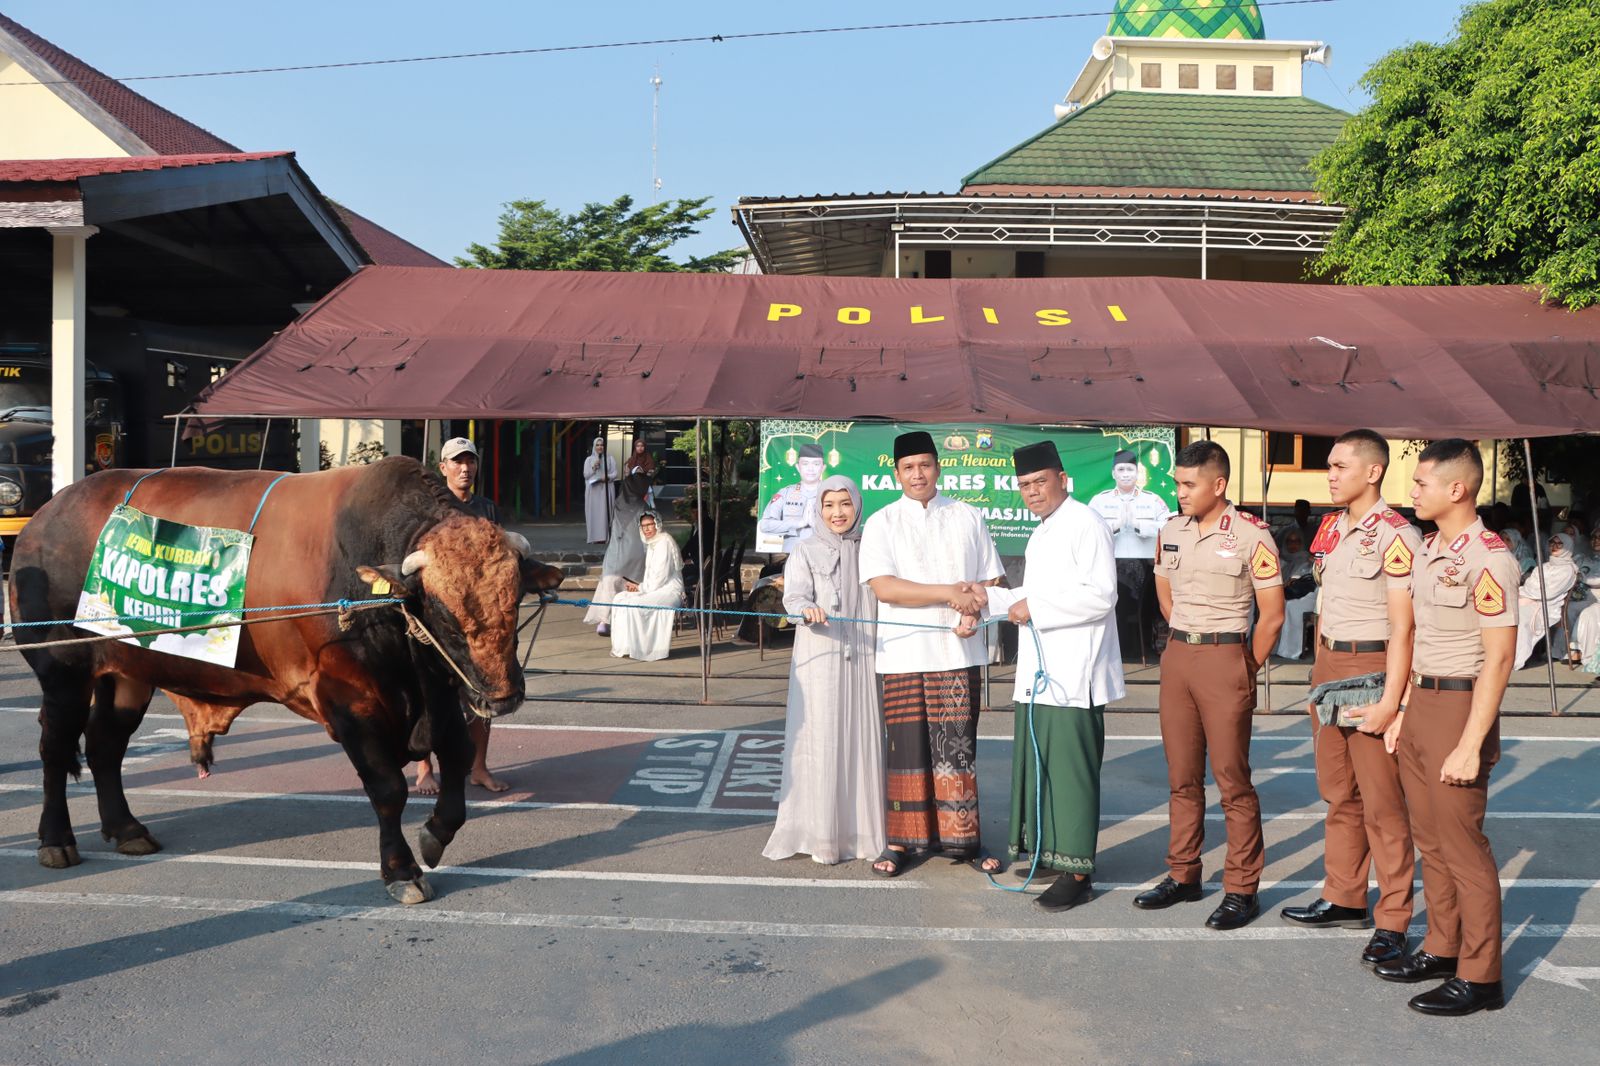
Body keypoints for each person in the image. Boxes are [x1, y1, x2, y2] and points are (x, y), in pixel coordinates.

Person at [1374, 438, 1519, 1016]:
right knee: (1430, 840)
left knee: (1463, 846)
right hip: (1424, 705)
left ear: (1456, 489)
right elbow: (1421, 639)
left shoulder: (1491, 557)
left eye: (1421, 483)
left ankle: (1482, 976)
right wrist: (1403, 710)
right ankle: (1442, 946)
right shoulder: (1432, 549)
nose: (1413, 492)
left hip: (1462, 707)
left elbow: (1499, 659)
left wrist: (1470, 743)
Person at [1279, 429, 1422, 971]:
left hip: (1373, 668)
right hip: (1330, 665)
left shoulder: (1396, 534)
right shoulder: (1333, 529)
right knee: (1338, 792)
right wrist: (1317, 670)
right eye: (1329, 466)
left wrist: (1397, 698)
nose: (1330, 475)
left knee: (1383, 805)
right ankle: (1343, 896)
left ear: (1373, 472)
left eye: (1340, 466)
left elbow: (1408, 629)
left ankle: (1393, 921)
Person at [1134, 440, 1284, 930]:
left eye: (1188, 484)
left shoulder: (1251, 535)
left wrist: (1245, 666)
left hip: (1227, 656)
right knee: (1181, 776)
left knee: (1231, 780)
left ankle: (1242, 888)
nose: (1178, 492)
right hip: (1179, 654)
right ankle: (1184, 873)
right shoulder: (1171, 529)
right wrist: (1184, 633)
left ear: (1218, 485)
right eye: (1177, 482)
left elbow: (1273, 615)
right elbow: (1163, 584)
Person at [977, 441, 1125, 912]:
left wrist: (1032, 606)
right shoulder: (1043, 532)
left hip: (1074, 673)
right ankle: (1052, 852)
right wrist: (983, 599)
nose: (1032, 492)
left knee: (1071, 775)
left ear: (1063, 478)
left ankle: (1077, 869)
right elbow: (1028, 595)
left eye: (1040, 481)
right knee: (1043, 769)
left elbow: (1101, 596)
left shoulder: (1086, 523)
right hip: (1042, 670)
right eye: (1024, 485)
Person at [858, 430, 1004, 878]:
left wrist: (972, 611)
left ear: (938, 467)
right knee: (907, 751)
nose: (917, 473)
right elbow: (886, 587)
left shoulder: (967, 516)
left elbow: (990, 581)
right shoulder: (883, 521)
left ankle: (965, 840)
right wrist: (948, 594)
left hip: (958, 650)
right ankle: (902, 841)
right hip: (903, 653)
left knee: (957, 748)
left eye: (924, 464)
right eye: (908, 467)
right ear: (896, 472)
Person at [763, 475, 886, 865]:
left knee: (863, 735)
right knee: (823, 736)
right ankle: (822, 834)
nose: (838, 513)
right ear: (818, 509)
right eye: (829, 505)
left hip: (865, 657)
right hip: (821, 658)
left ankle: (864, 834)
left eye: (845, 504)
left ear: (857, 505)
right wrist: (805, 609)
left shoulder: (874, 547)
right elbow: (794, 595)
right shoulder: (805, 550)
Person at [414, 436, 510, 795]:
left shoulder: (488, 508)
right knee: (431, 696)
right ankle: (424, 770)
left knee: (483, 695)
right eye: (457, 462)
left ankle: (479, 767)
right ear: (443, 468)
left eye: (469, 461)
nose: (464, 468)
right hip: (439, 620)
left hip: (480, 619)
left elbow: (503, 557)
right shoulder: (430, 509)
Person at [1088, 448, 1170, 656]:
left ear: (1137, 472)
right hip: (1108, 567)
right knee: (1112, 611)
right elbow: (1087, 530)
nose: (1125, 473)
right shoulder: (1100, 500)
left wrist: (1140, 526)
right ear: (1113, 473)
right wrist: (1112, 527)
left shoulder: (1152, 500)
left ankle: (1141, 651)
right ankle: (1113, 652)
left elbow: (1168, 526)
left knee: (1144, 611)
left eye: (1130, 469)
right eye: (1121, 469)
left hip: (1145, 568)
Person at [609, 511, 685, 663]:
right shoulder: (652, 543)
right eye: (643, 526)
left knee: (635, 604)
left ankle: (647, 649)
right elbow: (652, 577)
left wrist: (639, 588)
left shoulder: (664, 542)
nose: (647, 529)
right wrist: (639, 587)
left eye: (650, 524)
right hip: (654, 587)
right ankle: (627, 647)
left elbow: (660, 577)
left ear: (657, 524)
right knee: (619, 599)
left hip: (669, 590)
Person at [583, 472, 652, 637]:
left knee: (609, 584)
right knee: (633, 584)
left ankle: (604, 621)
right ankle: (631, 618)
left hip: (615, 551)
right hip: (634, 551)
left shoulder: (617, 504)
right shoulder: (643, 508)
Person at [1511, 532, 1579, 669]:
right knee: (1508, 612)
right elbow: (1530, 584)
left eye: (1559, 544)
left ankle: (1516, 658)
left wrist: (1529, 594)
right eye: (1552, 543)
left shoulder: (1568, 570)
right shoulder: (1543, 566)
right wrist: (1530, 593)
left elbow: (1549, 592)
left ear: (1567, 546)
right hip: (1530, 600)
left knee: (1522, 618)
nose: (1554, 546)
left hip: (1549, 607)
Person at [759, 443, 829, 553]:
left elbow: (844, 530)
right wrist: (796, 524)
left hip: (824, 557)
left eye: (816, 464)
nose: (810, 469)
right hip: (792, 556)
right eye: (805, 464)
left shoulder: (832, 494)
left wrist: (816, 525)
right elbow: (765, 525)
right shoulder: (785, 493)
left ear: (823, 467)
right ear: (798, 467)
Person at [1271, 528, 1317, 661]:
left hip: (1306, 595)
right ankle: (1277, 647)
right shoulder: (1283, 560)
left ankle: (1290, 650)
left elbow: (1300, 580)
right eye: (1289, 541)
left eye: (1297, 541)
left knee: (1291, 607)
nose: (1293, 545)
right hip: (1288, 594)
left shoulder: (1305, 558)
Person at [1567, 529, 1600, 670]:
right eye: (1594, 537)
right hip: (1584, 595)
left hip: (1595, 597)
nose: (1596, 540)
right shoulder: (1585, 558)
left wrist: (1582, 578)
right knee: (1568, 608)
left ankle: (1580, 650)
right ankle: (1571, 649)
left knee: (1587, 612)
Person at [582, 437, 618, 545]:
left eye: (601, 445)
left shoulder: (610, 458)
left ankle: (604, 537)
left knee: (605, 513)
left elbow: (614, 473)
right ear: (594, 446)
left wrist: (606, 477)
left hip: (605, 489)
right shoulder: (589, 460)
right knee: (594, 513)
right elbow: (586, 475)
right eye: (597, 445)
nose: (600, 447)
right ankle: (594, 537)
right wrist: (594, 467)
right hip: (593, 491)